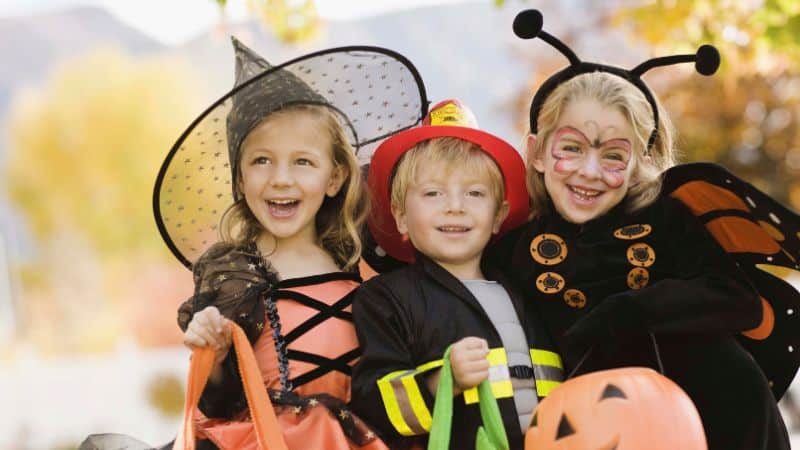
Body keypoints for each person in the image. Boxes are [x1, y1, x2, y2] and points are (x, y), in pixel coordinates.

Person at [487, 9, 795, 450]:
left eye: (613, 155)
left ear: (639, 165)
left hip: (722, 414)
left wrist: (628, 311)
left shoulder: (666, 221)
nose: (589, 172)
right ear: (536, 152)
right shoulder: (514, 251)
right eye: (570, 148)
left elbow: (738, 300)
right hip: (590, 428)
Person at [157, 37, 428, 450]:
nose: (281, 178)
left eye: (303, 161)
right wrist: (213, 353)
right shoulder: (236, 273)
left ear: (334, 178)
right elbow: (218, 400)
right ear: (241, 179)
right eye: (262, 160)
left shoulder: (364, 263)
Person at [350, 99, 564, 450]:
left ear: (499, 215)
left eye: (475, 193)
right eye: (433, 193)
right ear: (401, 216)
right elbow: (371, 405)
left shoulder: (530, 288)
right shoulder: (386, 298)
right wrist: (441, 382)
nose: (455, 205)